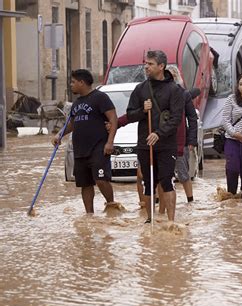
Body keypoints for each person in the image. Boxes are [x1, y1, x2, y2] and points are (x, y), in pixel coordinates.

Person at [126, 50, 184, 224]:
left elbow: (176, 119)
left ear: (161, 66)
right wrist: (143, 110)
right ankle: (150, 219)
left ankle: (171, 222)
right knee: (148, 182)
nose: (146, 67)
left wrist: (159, 133)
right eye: (145, 63)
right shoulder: (140, 89)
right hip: (145, 144)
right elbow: (130, 115)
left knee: (167, 180)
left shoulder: (174, 90)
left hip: (166, 144)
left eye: (150, 64)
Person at [52, 69, 119, 213]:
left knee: (101, 180)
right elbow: (72, 123)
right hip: (80, 149)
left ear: (82, 83)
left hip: (99, 147)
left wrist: (110, 142)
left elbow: (113, 119)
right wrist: (59, 135)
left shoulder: (100, 98)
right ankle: (89, 215)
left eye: (73, 82)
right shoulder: (77, 103)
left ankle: (112, 205)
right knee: (85, 184)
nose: (71, 85)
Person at [167, 65, 199, 203]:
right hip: (164, 139)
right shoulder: (160, 93)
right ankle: (159, 201)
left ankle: (190, 200)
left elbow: (192, 118)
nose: (172, 78)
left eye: (174, 75)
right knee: (163, 174)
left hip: (182, 140)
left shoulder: (184, 94)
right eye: (169, 75)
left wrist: (192, 140)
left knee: (183, 173)